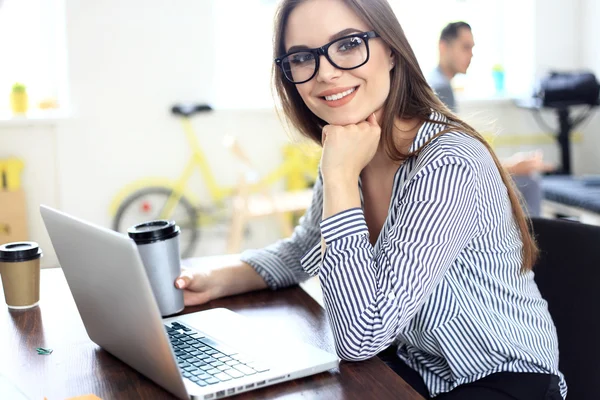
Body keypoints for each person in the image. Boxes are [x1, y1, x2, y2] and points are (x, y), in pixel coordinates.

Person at [175, 1, 566, 398]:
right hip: (417, 366)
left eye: (347, 45)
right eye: (301, 57)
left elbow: (362, 335)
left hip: (504, 377)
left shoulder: (448, 163)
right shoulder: (352, 146)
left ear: (391, 50)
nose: (325, 72)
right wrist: (212, 281)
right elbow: (301, 251)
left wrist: (340, 177)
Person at [428, 21, 553, 217]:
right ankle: (531, 247)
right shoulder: (440, 88)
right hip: (453, 180)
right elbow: (454, 158)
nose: (471, 55)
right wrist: (511, 167)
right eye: (465, 47)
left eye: (472, 48)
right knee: (531, 183)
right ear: (443, 47)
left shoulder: (437, 83)